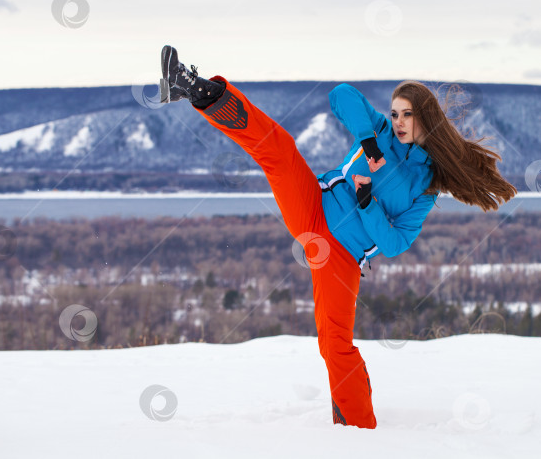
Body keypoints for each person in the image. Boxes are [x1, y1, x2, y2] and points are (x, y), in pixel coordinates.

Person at [158, 45, 517, 429]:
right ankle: (196, 89)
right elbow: (341, 95)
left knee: (334, 344)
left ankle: (358, 431)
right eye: (395, 112)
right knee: (278, 149)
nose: (397, 121)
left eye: (407, 115)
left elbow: (397, 243)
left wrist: (367, 205)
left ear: (425, 118)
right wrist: (368, 138)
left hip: (340, 256)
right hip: (315, 207)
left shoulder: (426, 186)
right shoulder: (378, 131)